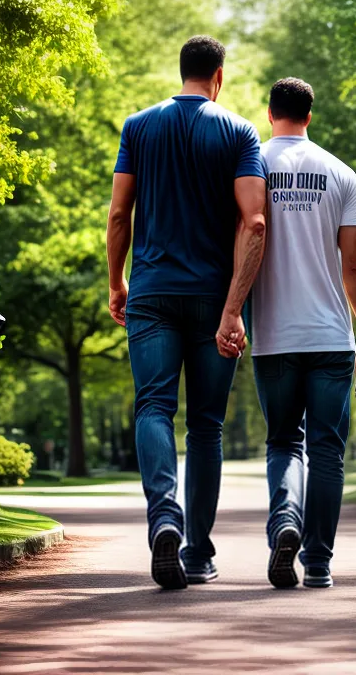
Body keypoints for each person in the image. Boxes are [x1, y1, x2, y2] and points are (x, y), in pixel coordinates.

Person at [106, 35, 267, 590]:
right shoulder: (240, 131)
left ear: (183, 73)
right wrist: (234, 310)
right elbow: (255, 223)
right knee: (205, 427)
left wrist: (116, 281)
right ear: (218, 76)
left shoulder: (138, 127)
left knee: (153, 406)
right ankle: (197, 552)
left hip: (150, 292)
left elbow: (119, 213)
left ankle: (163, 520)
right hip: (211, 299)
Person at [223, 76, 356, 590]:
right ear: (311, 116)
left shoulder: (253, 166)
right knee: (327, 451)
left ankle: (285, 521)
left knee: (284, 443)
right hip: (332, 339)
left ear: (270, 113)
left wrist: (232, 310)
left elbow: (243, 237)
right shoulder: (341, 173)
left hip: (274, 339)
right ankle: (317, 563)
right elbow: (354, 263)